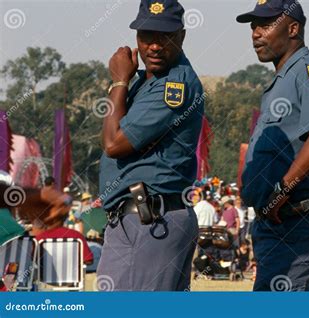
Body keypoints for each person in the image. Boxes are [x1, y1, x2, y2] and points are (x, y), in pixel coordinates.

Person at [237, 0, 309, 291]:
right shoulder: (281, 80)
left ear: (293, 28)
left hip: (300, 222)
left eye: (266, 24)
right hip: (277, 225)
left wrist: (282, 188)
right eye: (253, 26)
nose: (256, 33)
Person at [97, 0, 204, 291]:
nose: (154, 46)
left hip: (150, 220)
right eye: (147, 36)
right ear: (136, 39)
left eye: (164, 36)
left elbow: (113, 143)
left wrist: (119, 82)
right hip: (142, 220)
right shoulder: (148, 81)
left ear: (181, 36)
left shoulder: (174, 85)